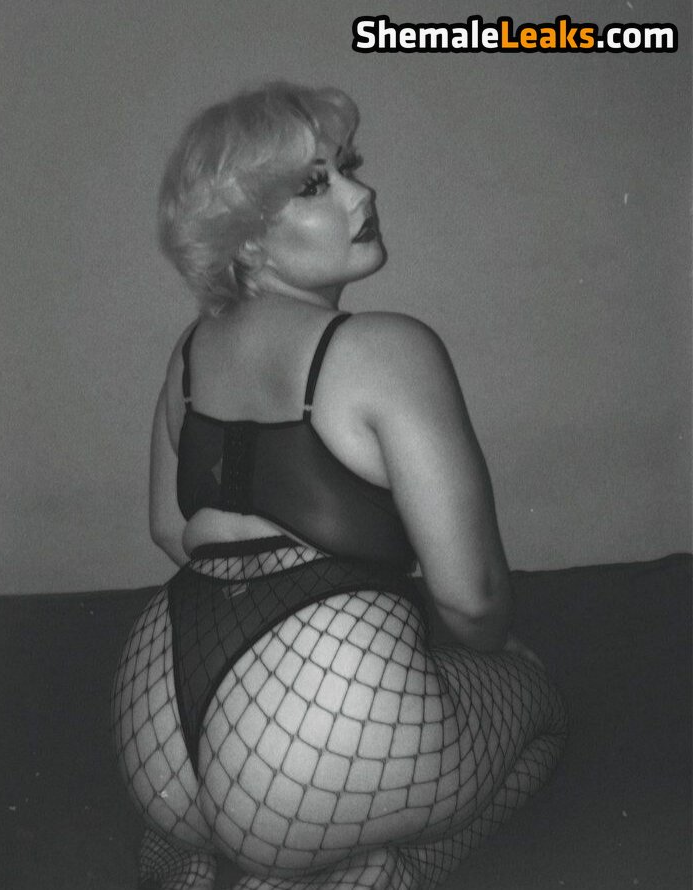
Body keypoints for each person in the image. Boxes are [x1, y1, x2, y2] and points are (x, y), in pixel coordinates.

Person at [112, 82, 567, 890]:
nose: (364, 193)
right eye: (315, 184)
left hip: (158, 736)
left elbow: (168, 529)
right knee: (536, 706)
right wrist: (472, 654)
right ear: (245, 241)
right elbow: (471, 598)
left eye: (350, 166)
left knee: (250, 805)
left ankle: (201, 855)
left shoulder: (190, 353)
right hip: (312, 758)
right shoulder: (386, 347)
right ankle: (382, 872)